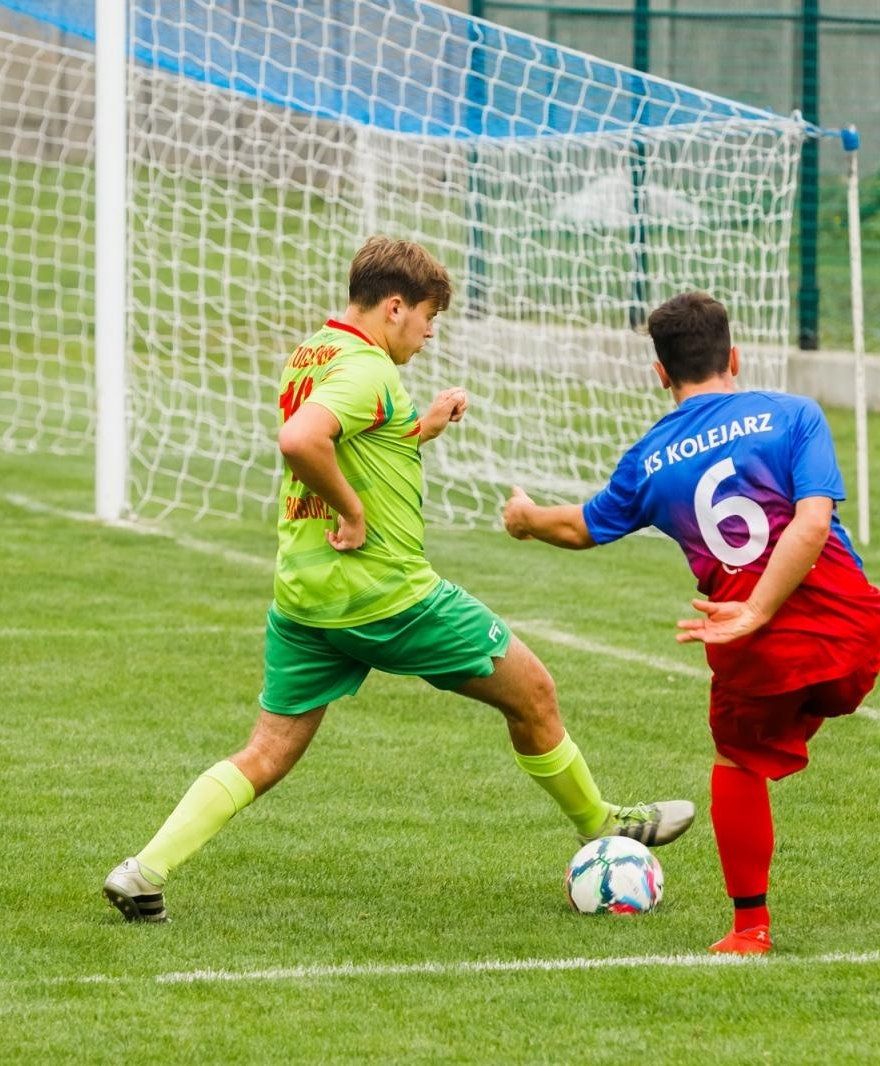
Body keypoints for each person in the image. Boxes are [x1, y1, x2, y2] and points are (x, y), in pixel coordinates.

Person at [103, 237, 695, 923]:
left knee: (266, 752)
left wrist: (417, 429)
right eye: (427, 318)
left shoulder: (314, 353)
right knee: (533, 691)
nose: (429, 332)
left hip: (307, 597)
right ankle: (602, 825)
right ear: (393, 307)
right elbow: (301, 442)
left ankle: (143, 872)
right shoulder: (369, 371)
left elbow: (350, 437)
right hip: (387, 595)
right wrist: (354, 513)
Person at [502, 290, 880, 955]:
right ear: (734, 355)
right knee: (798, 699)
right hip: (854, 629)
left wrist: (527, 519)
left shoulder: (650, 461)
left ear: (660, 373)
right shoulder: (793, 414)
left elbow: (581, 527)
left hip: (756, 648)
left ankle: (750, 930)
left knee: (737, 762)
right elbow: (813, 520)